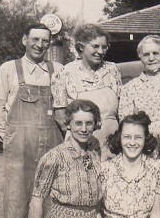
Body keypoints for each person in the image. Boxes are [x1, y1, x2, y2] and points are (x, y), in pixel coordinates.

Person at [0, 23, 63, 218]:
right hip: (19, 147)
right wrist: (7, 135)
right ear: (25, 40)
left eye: (44, 41)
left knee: (52, 203)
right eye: (35, 39)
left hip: (53, 145)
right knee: (16, 206)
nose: (39, 45)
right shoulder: (9, 69)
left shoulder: (58, 69)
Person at [29, 99, 102, 218]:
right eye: (78, 123)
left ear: (95, 124)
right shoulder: (54, 157)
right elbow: (36, 204)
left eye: (89, 123)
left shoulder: (95, 155)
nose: (84, 129)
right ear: (68, 124)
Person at [97, 111, 160, 218]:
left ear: (145, 139)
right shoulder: (104, 169)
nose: (132, 143)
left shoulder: (157, 168)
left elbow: (156, 213)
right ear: (119, 138)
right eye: (127, 137)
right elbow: (96, 212)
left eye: (138, 137)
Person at [51, 23, 122, 161]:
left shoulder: (113, 70)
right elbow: (61, 117)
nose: (100, 51)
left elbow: (121, 108)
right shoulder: (64, 73)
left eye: (104, 47)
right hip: (80, 144)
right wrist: (83, 138)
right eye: (95, 46)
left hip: (112, 143)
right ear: (81, 46)